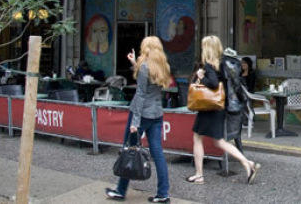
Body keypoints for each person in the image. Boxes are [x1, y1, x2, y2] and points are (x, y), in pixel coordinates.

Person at [186, 35, 260, 185]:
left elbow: (212, 83)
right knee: (219, 141)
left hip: (209, 108)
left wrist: (201, 77)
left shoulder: (209, 65)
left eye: (203, 47)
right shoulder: (224, 63)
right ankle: (248, 163)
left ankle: (199, 175)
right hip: (220, 107)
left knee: (199, 138)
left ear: (207, 49)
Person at [106, 36, 171, 203]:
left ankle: (120, 190)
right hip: (156, 114)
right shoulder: (162, 66)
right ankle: (163, 193)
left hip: (141, 115)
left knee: (128, 150)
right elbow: (149, 83)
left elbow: (141, 93)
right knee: (158, 153)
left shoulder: (145, 67)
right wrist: (135, 63)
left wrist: (135, 123)